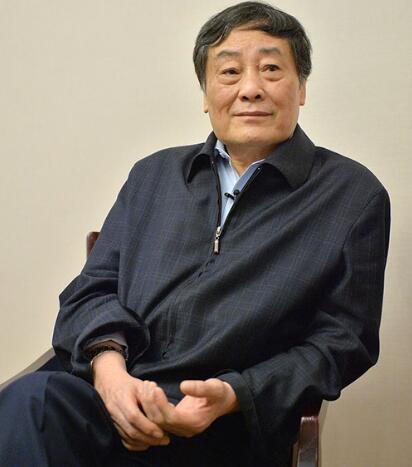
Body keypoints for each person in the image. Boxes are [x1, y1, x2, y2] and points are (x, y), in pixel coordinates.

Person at [0, 2, 390, 466]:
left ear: (301, 87)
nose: (250, 88)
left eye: (271, 69)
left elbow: (341, 345)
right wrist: (110, 372)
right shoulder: (153, 176)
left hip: (227, 429)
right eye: (229, 72)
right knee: (31, 401)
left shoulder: (351, 195)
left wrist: (234, 393)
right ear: (206, 93)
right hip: (112, 404)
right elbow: (91, 291)